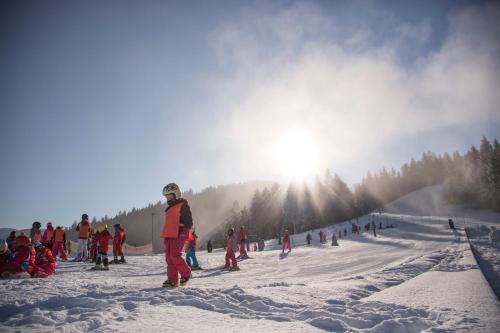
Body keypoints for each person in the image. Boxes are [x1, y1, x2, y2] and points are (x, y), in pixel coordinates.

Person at [161, 183, 193, 288]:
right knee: (169, 258)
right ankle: (172, 280)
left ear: (176, 194)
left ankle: (186, 273)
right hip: (169, 235)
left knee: (175, 255)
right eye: (166, 197)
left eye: (170, 196)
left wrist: (184, 228)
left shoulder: (182, 204)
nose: (168, 198)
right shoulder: (169, 208)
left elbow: (189, 221)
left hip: (180, 232)